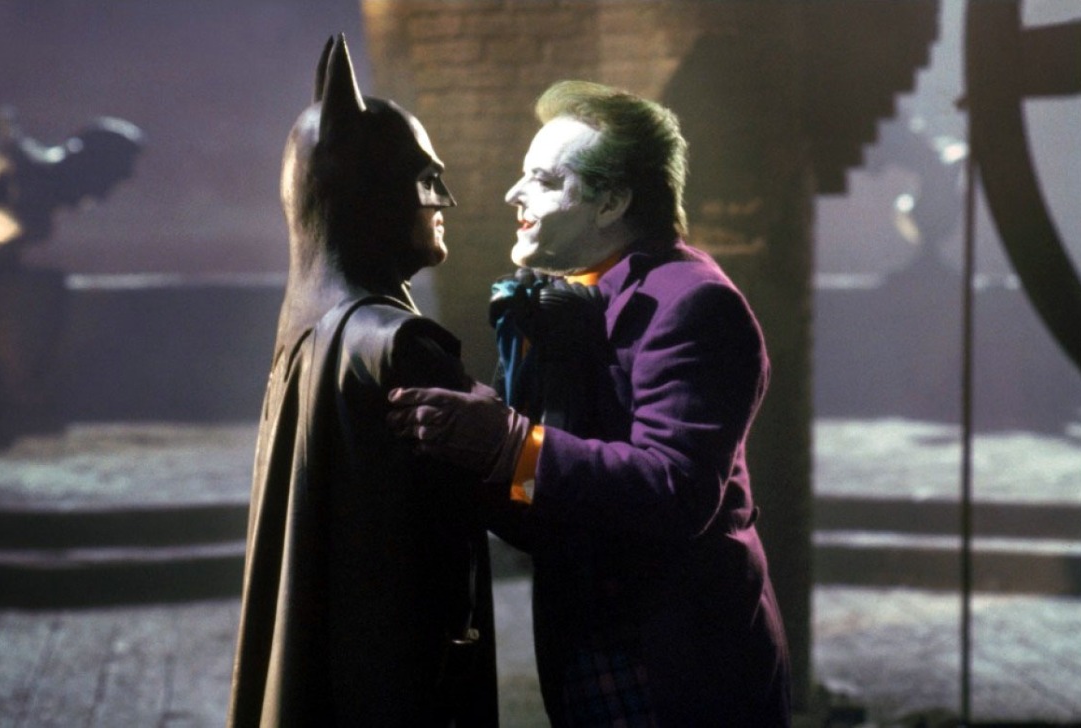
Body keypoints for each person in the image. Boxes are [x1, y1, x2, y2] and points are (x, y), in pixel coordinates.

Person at [388, 80, 792, 726]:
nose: (513, 195)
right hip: (593, 653)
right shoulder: (566, 298)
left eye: (545, 180)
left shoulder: (693, 304)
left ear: (611, 202)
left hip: (680, 669)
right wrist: (463, 454)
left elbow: (677, 488)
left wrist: (507, 444)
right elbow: (547, 504)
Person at [226, 35, 498, 727]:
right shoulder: (402, 348)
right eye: (424, 179)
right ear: (367, 191)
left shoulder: (309, 331)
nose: (444, 200)